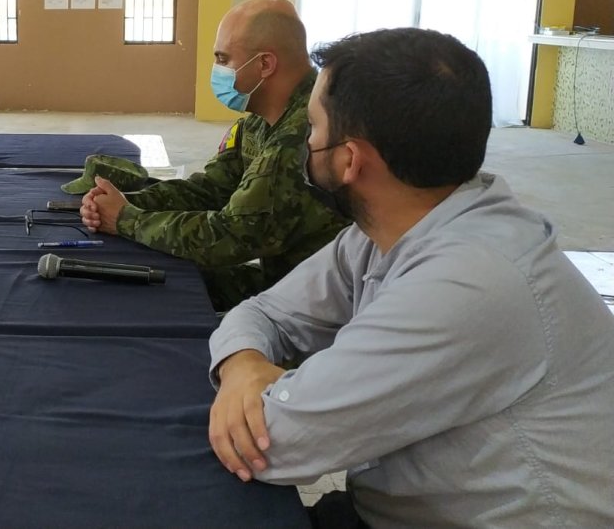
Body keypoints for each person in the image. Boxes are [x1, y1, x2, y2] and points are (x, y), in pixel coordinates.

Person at [206, 27, 614, 527]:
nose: (305, 144)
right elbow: (264, 311)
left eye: (312, 130)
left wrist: (262, 385)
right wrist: (244, 364)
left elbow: (277, 443)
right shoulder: (393, 227)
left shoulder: (470, 284)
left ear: (350, 159)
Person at [79, 0, 349, 310]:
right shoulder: (260, 123)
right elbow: (211, 189)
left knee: (151, 296)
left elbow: (229, 236)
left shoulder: (304, 135)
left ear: (264, 64)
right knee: (143, 277)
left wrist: (128, 220)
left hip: (312, 308)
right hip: (285, 281)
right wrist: (123, 201)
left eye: (223, 59)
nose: (216, 71)